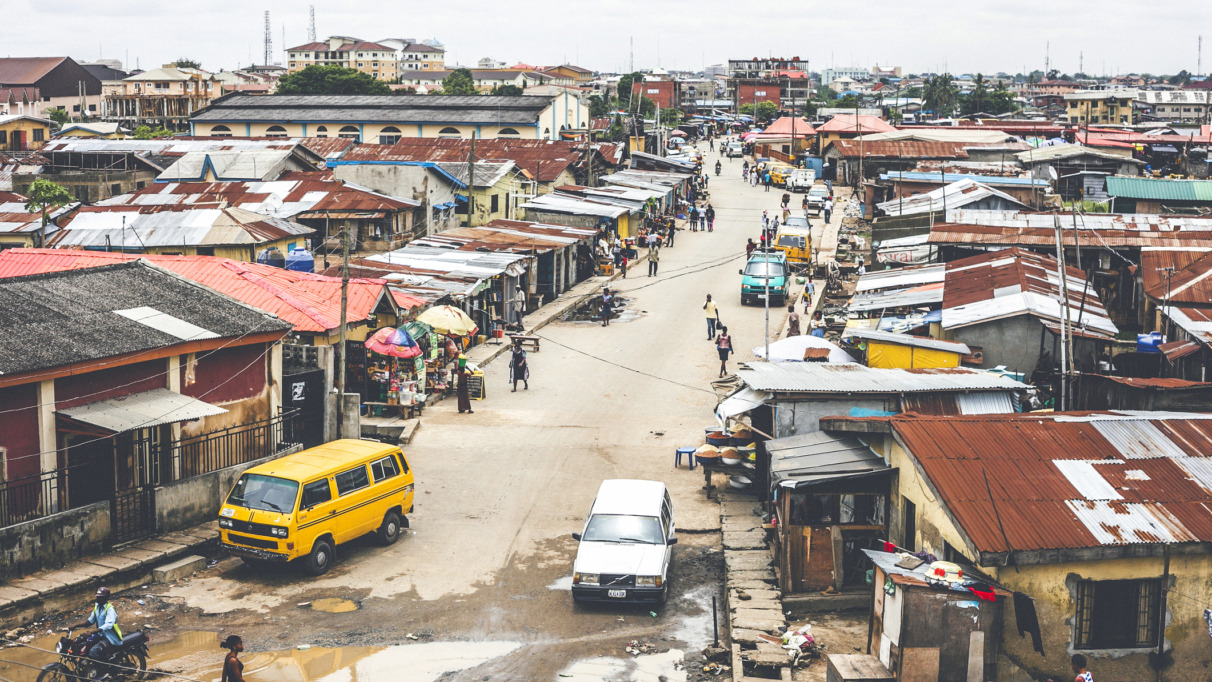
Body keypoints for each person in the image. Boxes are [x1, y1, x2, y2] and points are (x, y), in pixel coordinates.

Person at [71, 587, 121, 671]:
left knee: (93, 651)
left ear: (106, 598)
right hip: (101, 635)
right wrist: (76, 625)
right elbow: (90, 621)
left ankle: (103, 672)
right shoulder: (97, 607)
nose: (98, 598)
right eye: (97, 596)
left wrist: (92, 631)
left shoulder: (110, 609)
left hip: (110, 637)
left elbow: (108, 625)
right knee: (82, 644)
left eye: (100, 597)